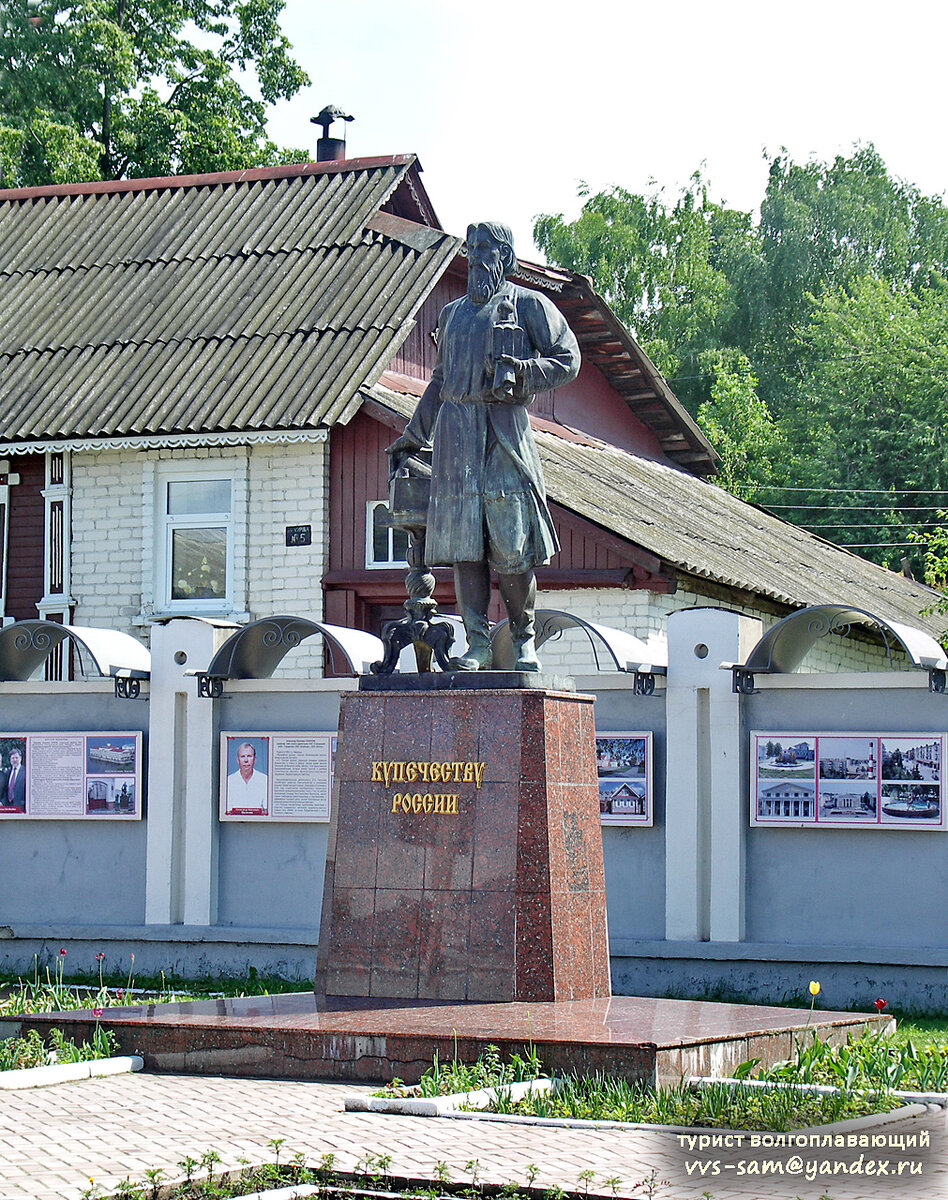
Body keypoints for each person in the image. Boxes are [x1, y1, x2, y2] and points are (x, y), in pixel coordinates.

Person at [388, 221, 581, 671]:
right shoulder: (452, 314)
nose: (475, 257)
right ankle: (475, 642)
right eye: (471, 248)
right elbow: (438, 382)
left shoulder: (527, 304)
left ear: (505, 256)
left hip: (502, 432)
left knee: (511, 544)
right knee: (465, 545)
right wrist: (414, 436)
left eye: (485, 249)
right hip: (456, 439)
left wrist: (524, 374)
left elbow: (567, 358)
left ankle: (522, 639)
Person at [227, 741, 268, 811]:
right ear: (238, 760)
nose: (246, 760)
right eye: (243, 756)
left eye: (249, 756)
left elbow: (266, 810)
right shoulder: (229, 781)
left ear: (254, 759)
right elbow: (228, 811)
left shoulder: (265, 780)